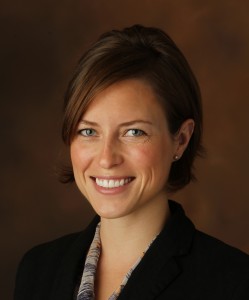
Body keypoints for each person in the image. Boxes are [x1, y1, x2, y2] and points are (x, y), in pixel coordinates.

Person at [14, 25, 249, 300]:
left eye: (134, 132)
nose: (106, 158)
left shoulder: (234, 283)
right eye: (88, 131)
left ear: (181, 139)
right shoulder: (38, 269)